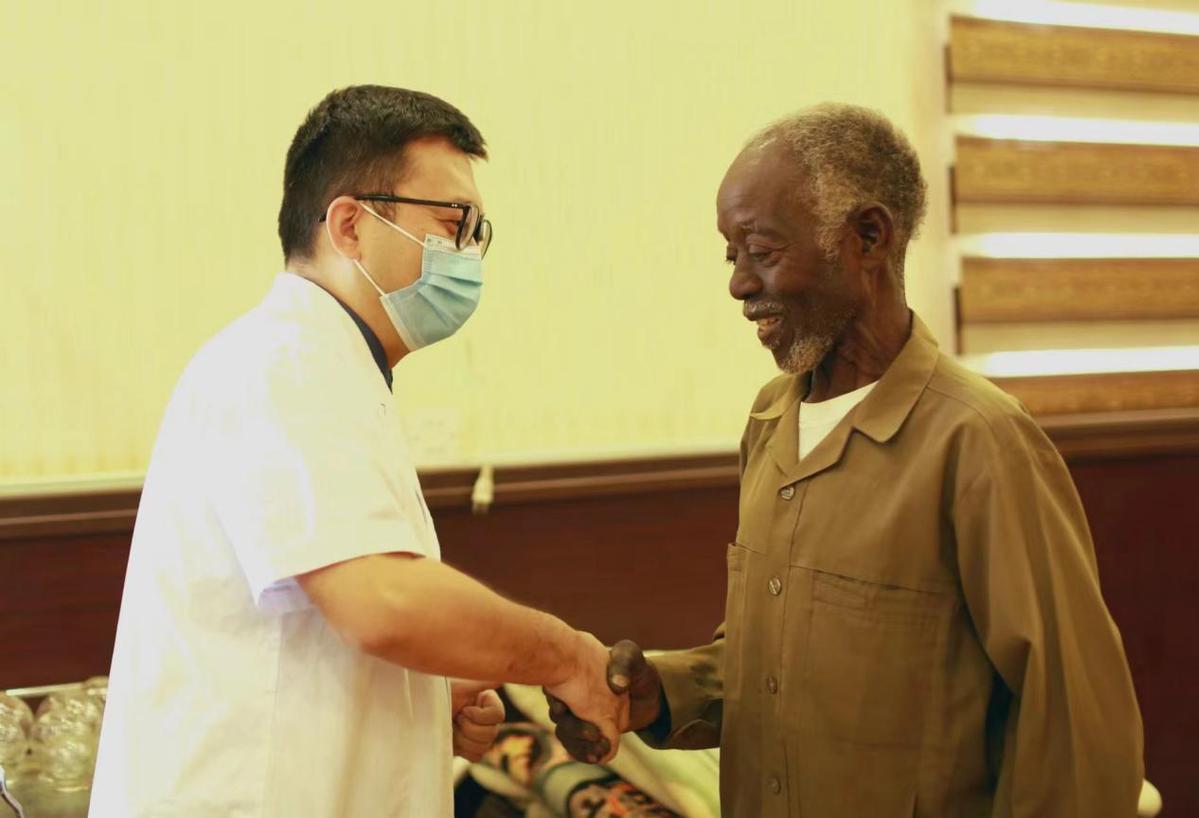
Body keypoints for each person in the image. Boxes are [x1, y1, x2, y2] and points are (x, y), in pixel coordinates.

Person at [548, 103, 1144, 816]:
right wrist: (663, 694)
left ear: (867, 238)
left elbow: (1075, 723)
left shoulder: (979, 440)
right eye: (732, 256)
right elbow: (775, 661)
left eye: (762, 250)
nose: (739, 284)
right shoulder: (771, 421)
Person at [90, 85, 625, 818]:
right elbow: (384, 602)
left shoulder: (334, 370)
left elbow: (318, 625)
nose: (468, 254)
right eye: (452, 223)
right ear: (349, 225)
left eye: (478, 232)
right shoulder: (286, 364)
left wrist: (424, 699)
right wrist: (565, 657)